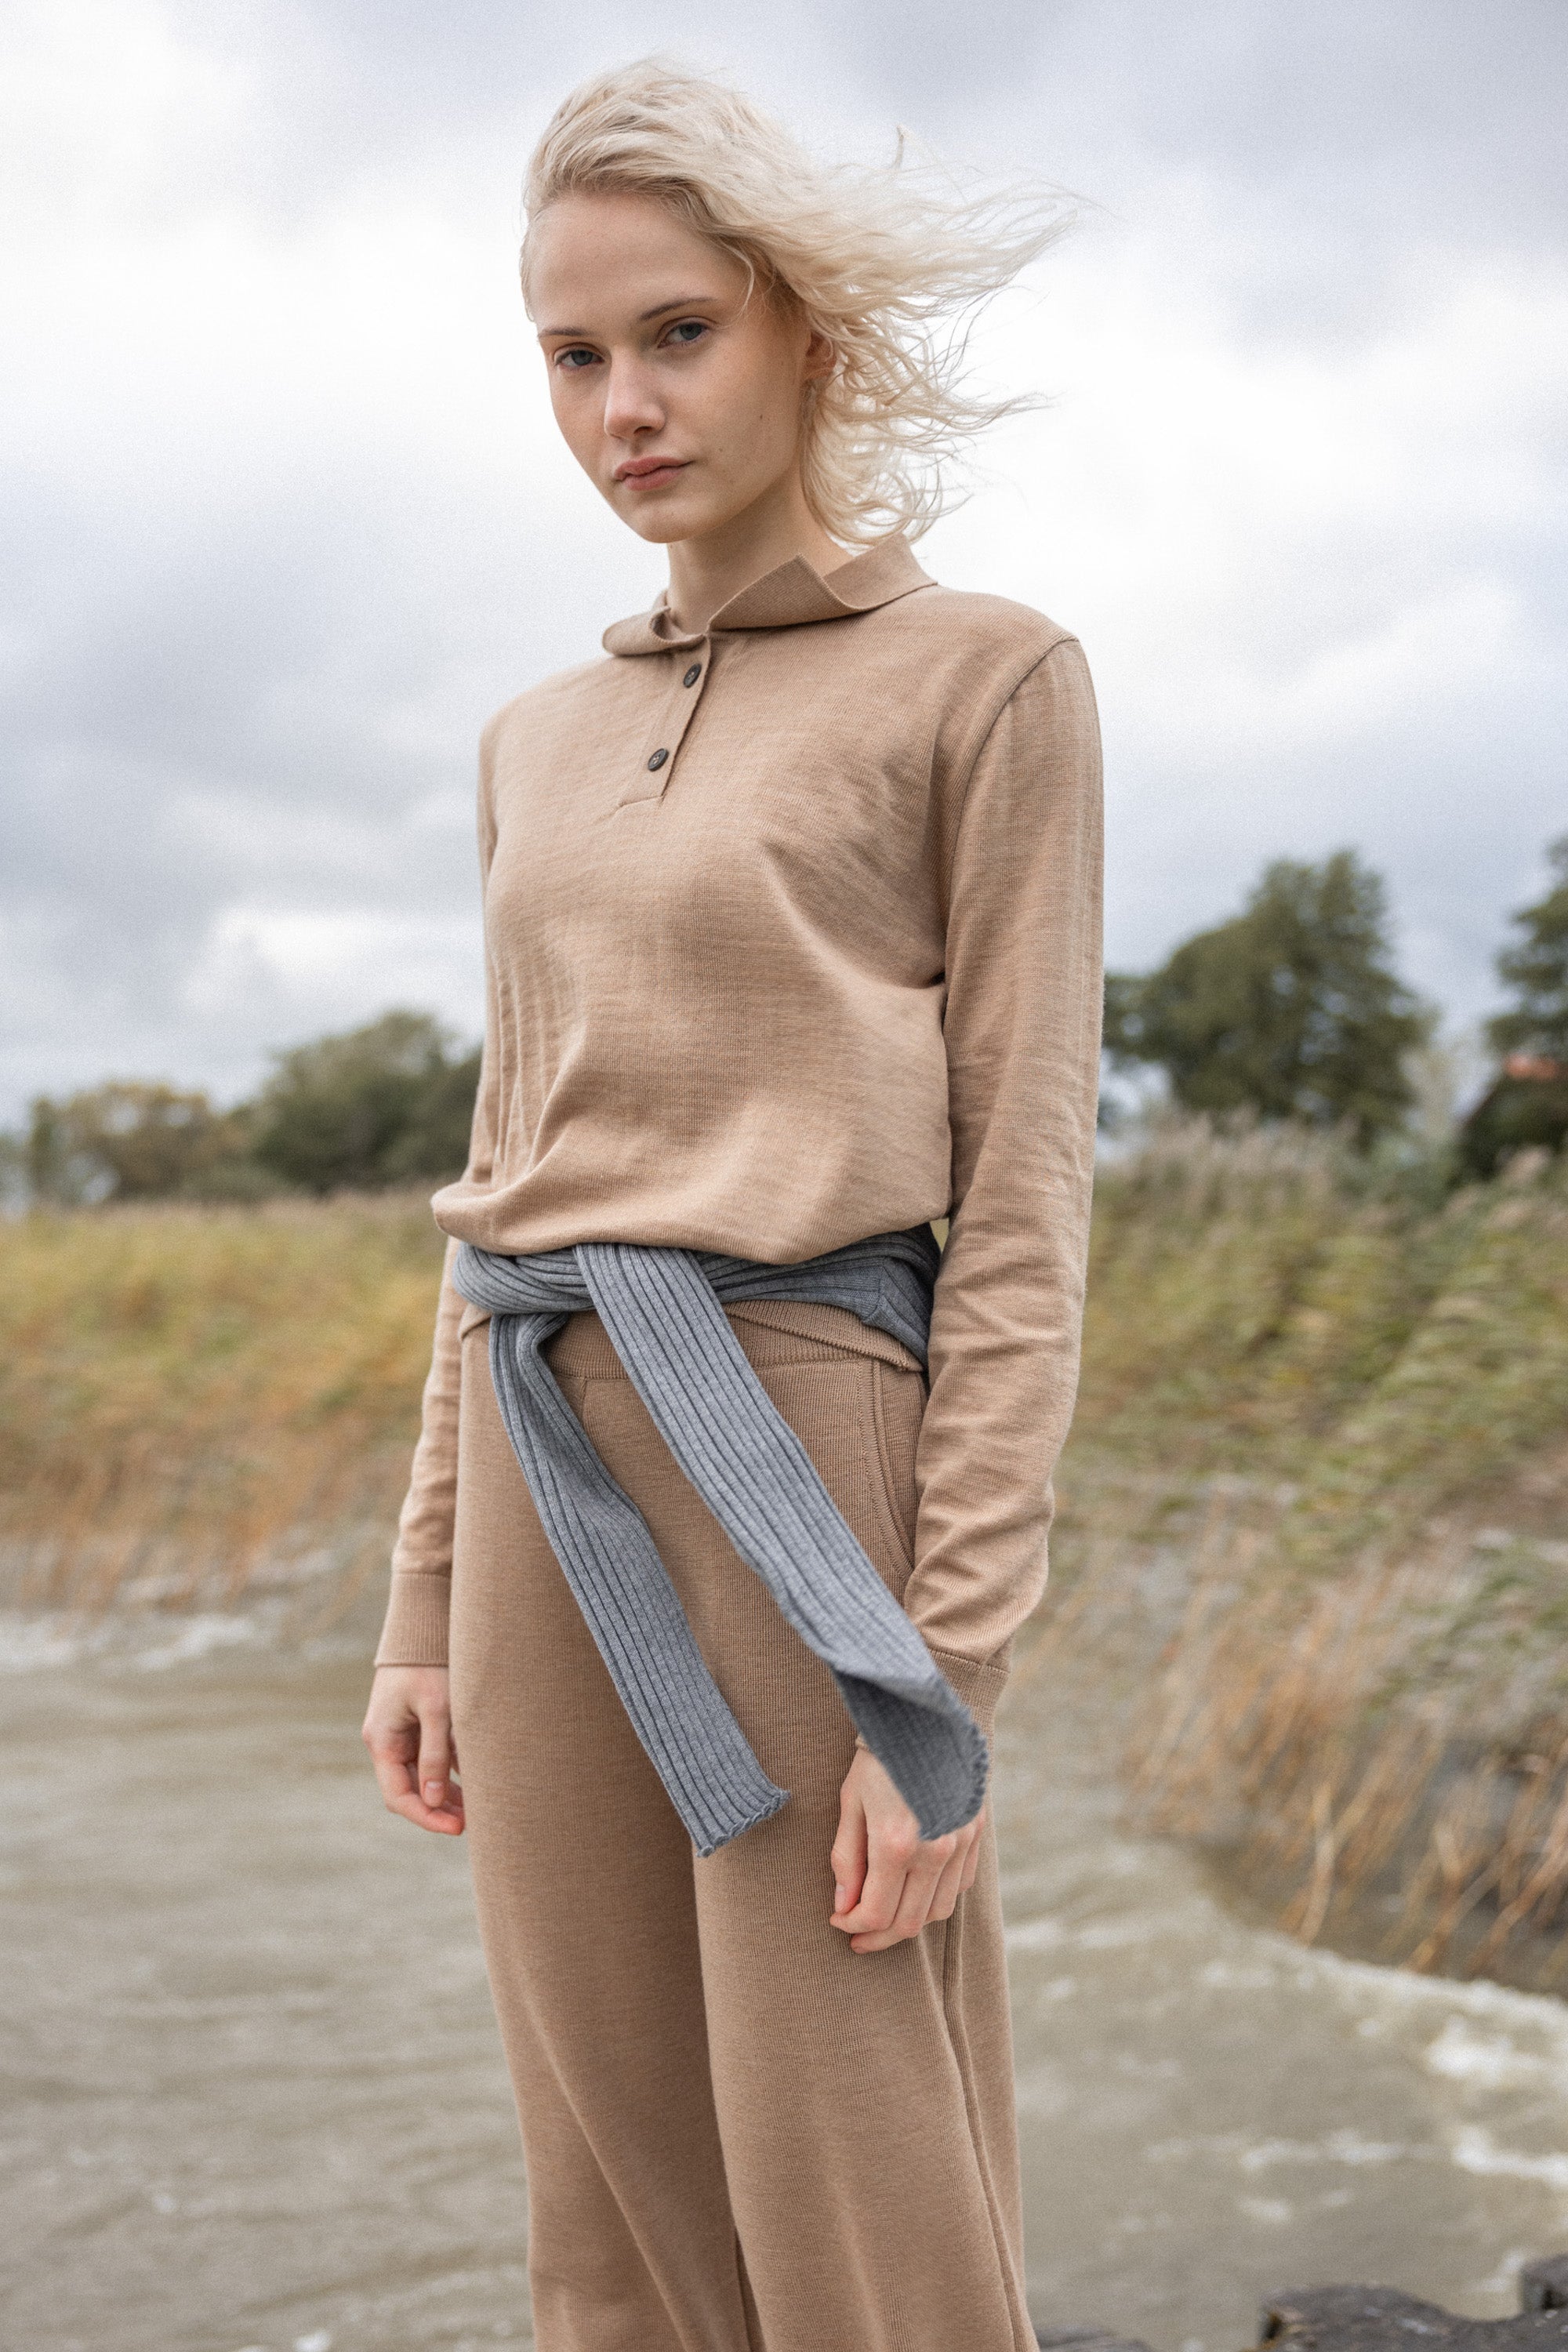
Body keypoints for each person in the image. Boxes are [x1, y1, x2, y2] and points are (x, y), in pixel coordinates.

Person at [361, 56, 1103, 2352]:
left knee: (848, 2152)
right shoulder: (531, 741)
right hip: (536, 1458)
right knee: (604, 2181)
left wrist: (944, 1671)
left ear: (809, 331)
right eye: (573, 355)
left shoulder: (989, 679)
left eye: (677, 333)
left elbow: (1024, 1206)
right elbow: (509, 1175)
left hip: (803, 1457)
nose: (624, 407)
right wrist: (419, 1602)